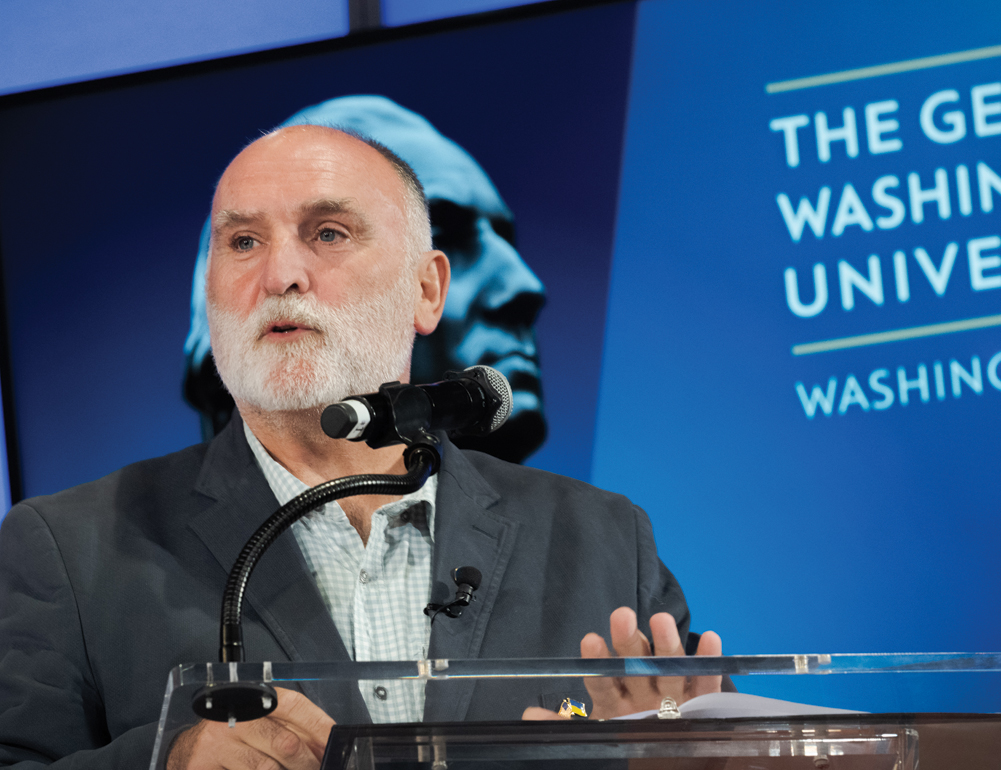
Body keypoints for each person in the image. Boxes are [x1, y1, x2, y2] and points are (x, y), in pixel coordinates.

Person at [0, 125, 720, 770]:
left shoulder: (603, 540)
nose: (280, 275)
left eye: (328, 233)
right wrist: (166, 761)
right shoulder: (69, 551)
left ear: (426, 289)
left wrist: (684, 760)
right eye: (243, 242)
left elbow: (709, 739)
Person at [185, 96, 547, 464]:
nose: (527, 287)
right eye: (444, 231)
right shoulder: (127, 514)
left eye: (329, 234)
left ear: (427, 289)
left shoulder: (592, 519)